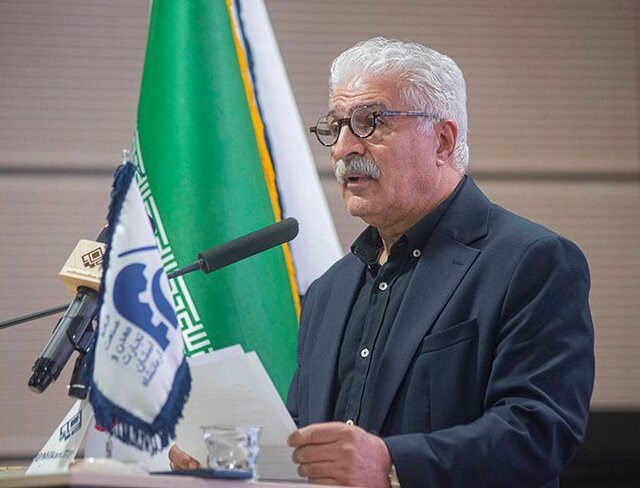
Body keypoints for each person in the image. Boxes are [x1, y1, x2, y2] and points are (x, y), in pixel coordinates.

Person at [170, 37, 595, 487]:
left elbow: (538, 430)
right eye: (336, 126)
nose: (343, 148)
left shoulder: (532, 262)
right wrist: (232, 454)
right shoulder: (328, 291)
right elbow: (307, 437)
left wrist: (394, 464)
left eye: (369, 122)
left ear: (442, 141)